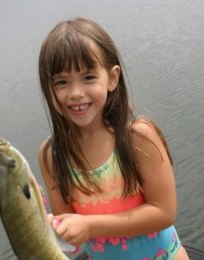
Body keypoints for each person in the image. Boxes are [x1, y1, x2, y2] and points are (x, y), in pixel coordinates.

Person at [37, 17, 189, 260]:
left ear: (112, 78)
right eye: (61, 82)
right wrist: (49, 225)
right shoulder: (51, 156)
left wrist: (91, 226)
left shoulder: (137, 136)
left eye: (88, 77)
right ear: (49, 88)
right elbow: (71, 239)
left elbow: (164, 212)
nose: (76, 93)